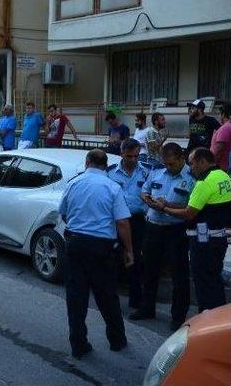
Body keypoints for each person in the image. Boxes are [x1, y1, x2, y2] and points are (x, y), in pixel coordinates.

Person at [58, 149, 134, 359]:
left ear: (87, 163)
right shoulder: (112, 186)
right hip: (102, 248)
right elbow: (122, 222)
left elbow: (63, 212)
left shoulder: (74, 183)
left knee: (76, 298)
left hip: (75, 244)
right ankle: (117, 341)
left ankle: (78, 345)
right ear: (105, 165)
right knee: (108, 296)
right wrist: (129, 250)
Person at [130, 143, 195, 331]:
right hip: (153, 228)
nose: (168, 167)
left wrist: (167, 205)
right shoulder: (157, 173)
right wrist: (148, 200)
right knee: (150, 269)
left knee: (179, 274)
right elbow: (144, 191)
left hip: (176, 230)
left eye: (172, 164)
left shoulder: (192, 178)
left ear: (182, 158)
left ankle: (178, 316)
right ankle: (147, 307)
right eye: (165, 164)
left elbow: (192, 207)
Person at [160, 148, 231, 312]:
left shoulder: (203, 183)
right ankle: (219, 317)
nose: (190, 168)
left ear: (202, 162)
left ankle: (206, 320)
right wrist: (170, 204)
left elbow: (188, 213)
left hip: (203, 241)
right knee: (214, 280)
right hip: (218, 238)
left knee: (203, 283)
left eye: (192, 164)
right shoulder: (223, 176)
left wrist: (164, 208)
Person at [107, 139, 149, 309]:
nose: (133, 159)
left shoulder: (146, 172)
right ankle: (111, 299)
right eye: (129, 156)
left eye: (136, 156)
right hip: (116, 220)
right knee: (114, 258)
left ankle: (136, 299)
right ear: (121, 154)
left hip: (137, 220)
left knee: (136, 259)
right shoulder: (110, 173)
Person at [210, 105, 231, 172]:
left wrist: (211, 164)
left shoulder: (226, 128)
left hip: (220, 167)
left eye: (219, 114)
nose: (219, 116)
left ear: (223, 114)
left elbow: (218, 149)